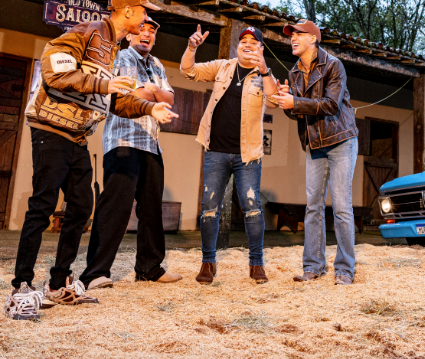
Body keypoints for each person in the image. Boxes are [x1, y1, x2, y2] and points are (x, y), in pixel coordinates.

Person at [5, 0, 178, 321]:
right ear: (127, 11)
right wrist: (105, 85)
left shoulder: (112, 48)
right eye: (144, 11)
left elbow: (116, 99)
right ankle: (22, 286)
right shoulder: (86, 31)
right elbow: (54, 71)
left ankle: (58, 284)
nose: (146, 18)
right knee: (42, 205)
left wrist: (150, 108)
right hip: (51, 127)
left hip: (78, 136)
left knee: (82, 206)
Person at [79, 15, 182, 291]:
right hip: (123, 141)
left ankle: (149, 268)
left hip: (151, 143)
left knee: (151, 209)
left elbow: (171, 99)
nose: (146, 35)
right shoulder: (122, 56)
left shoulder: (158, 64)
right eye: (141, 30)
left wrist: (152, 90)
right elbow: (128, 96)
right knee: (115, 207)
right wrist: (152, 92)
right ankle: (95, 273)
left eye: (152, 32)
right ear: (130, 35)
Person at [181, 24, 278, 285]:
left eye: (253, 42)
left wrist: (265, 68)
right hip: (216, 150)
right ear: (238, 46)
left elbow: (275, 96)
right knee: (209, 208)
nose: (247, 44)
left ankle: (256, 264)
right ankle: (207, 262)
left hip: (247, 155)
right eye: (243, 40)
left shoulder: (263, 75)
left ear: (260, 48)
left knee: (252, 208)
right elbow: (189, 70)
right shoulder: (223, 67)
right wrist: (192, 48)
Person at [273, 19, 359, 286]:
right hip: (314, 145)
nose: (292, 38)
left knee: (342, 207)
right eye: (291, 35)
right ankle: (313, 266)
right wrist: (286, 102)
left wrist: (296, 101)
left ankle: (345, 269)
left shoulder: (333, 65)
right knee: (313, 206)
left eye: (298, 34)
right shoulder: (294, 72)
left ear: (313, 39)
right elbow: (298, 113)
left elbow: (331, 105)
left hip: (342, 140)